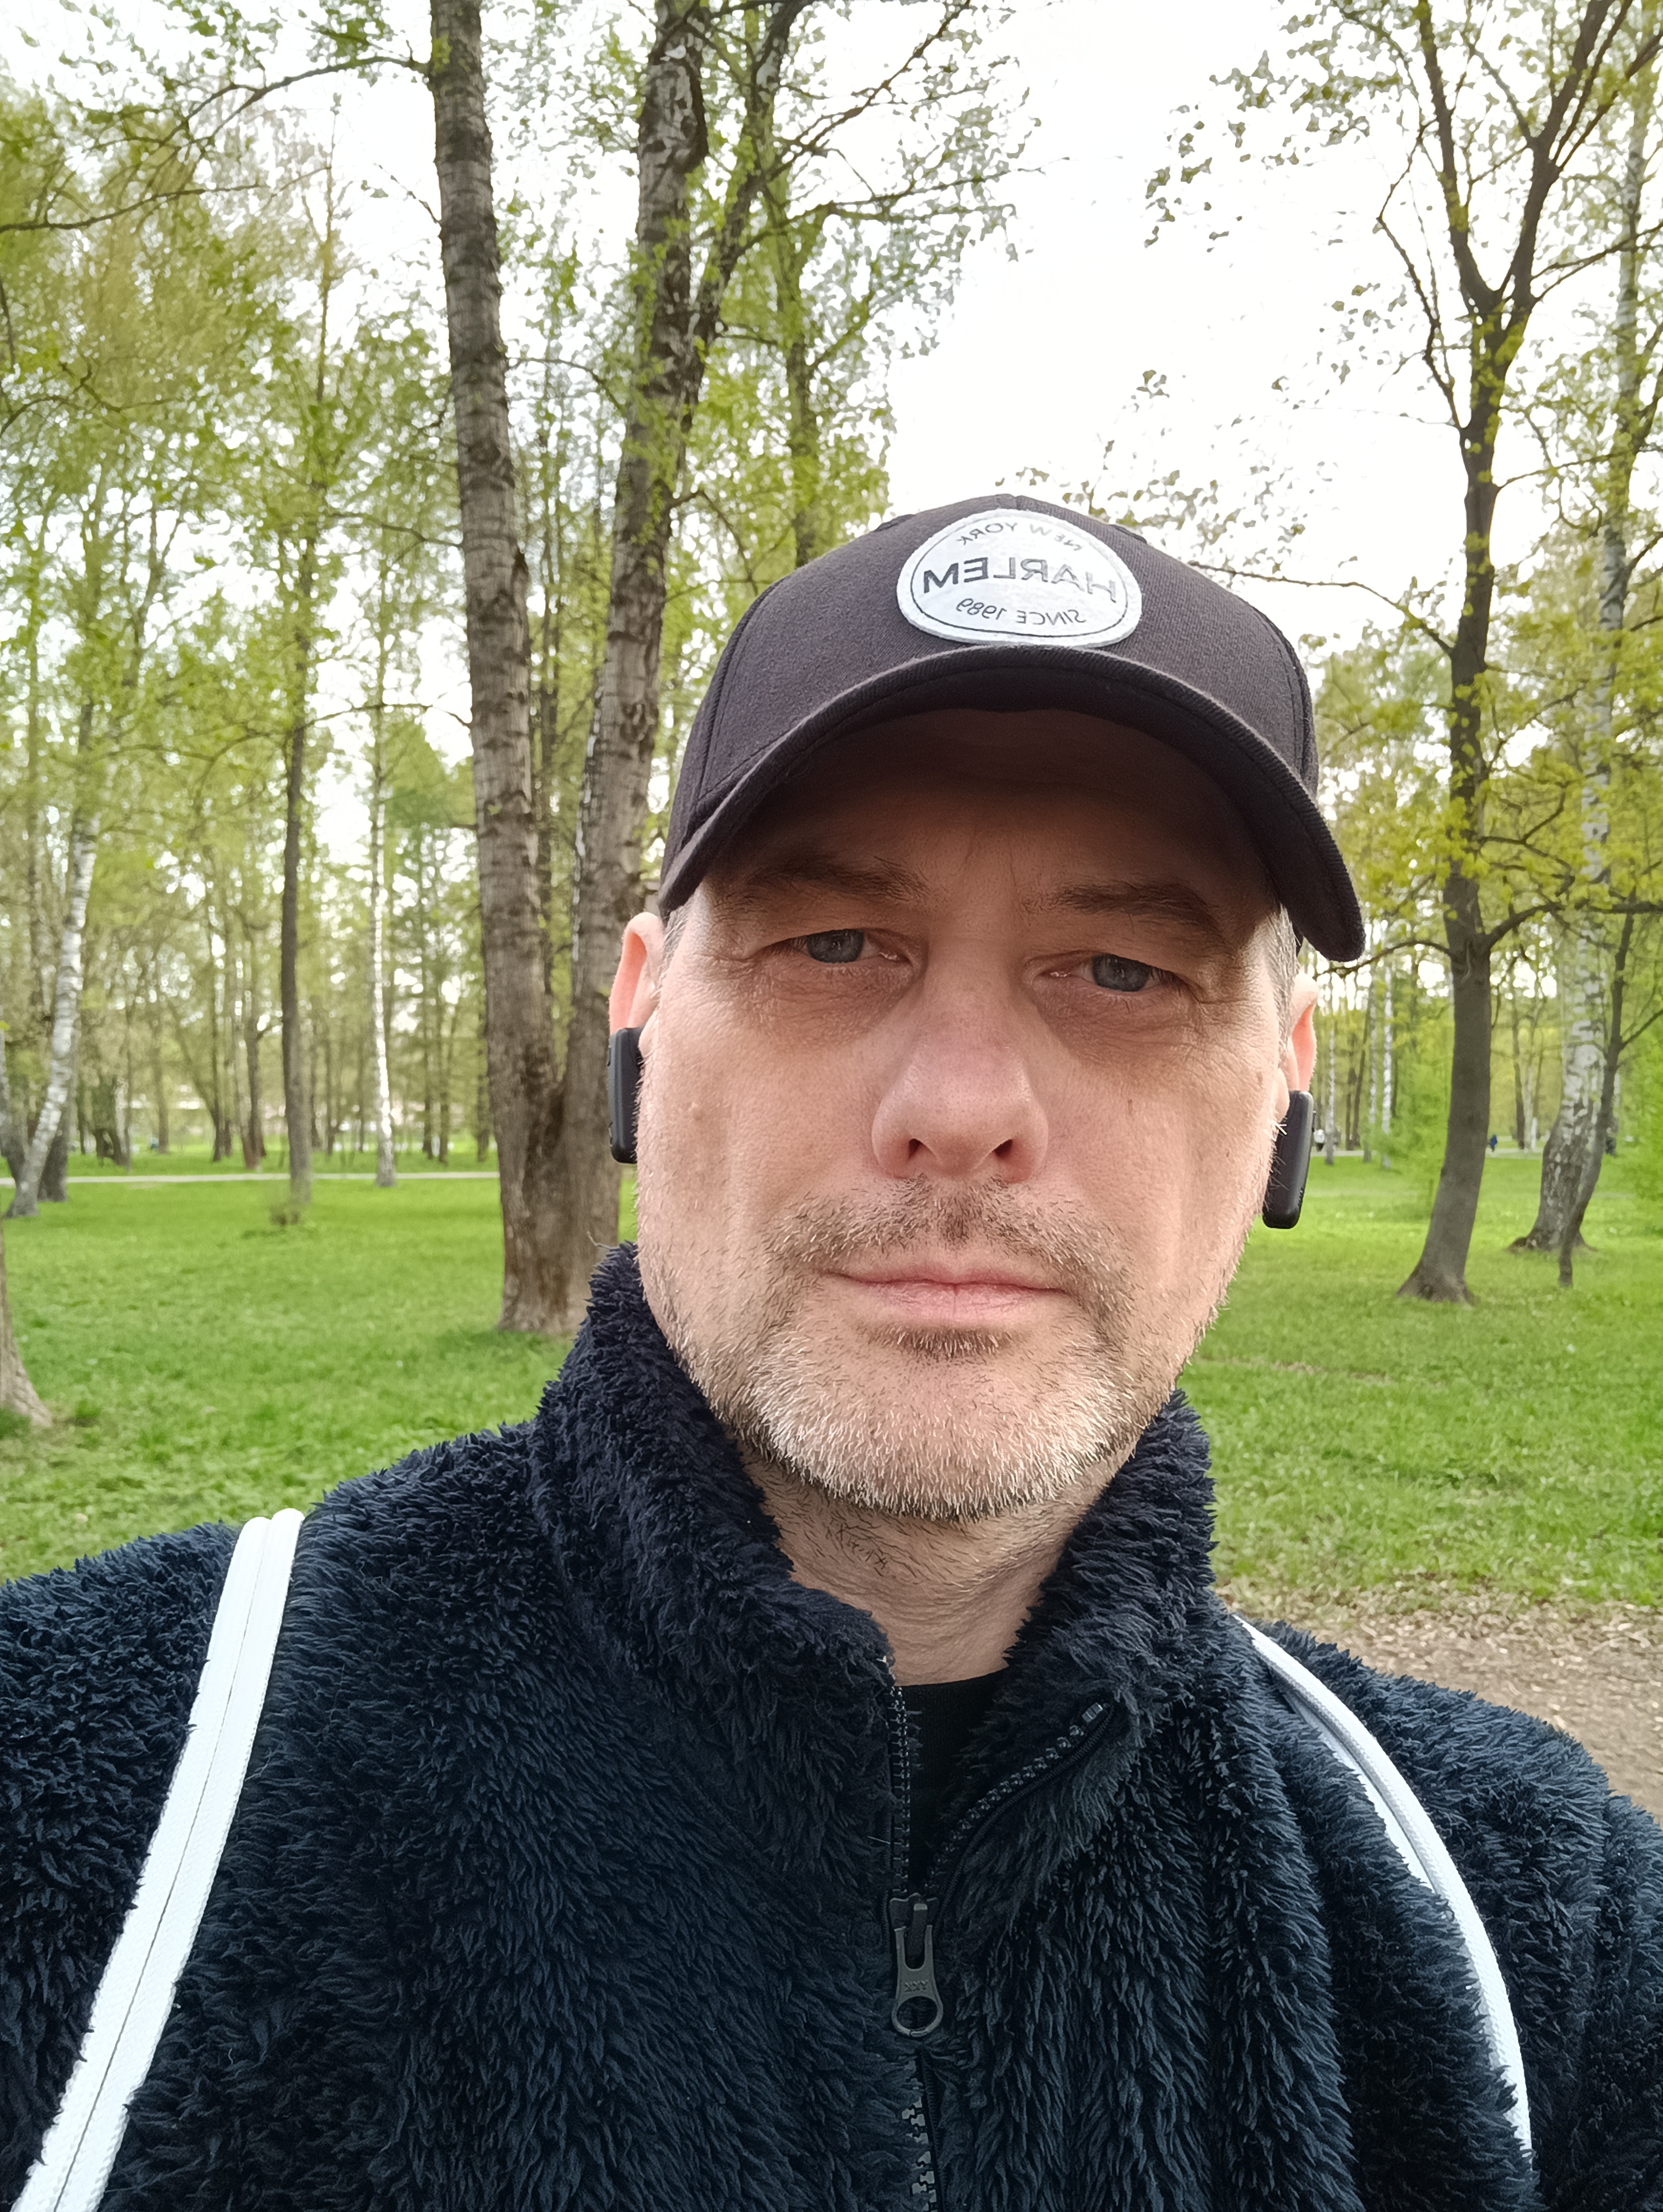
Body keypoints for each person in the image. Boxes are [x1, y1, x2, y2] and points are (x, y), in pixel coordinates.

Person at [3, 495, 1660, 2212]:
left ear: (1286, 1091)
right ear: (645, 1015)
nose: (963, 1107)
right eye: (836, 946)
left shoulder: (1533, 1932)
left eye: (1121, 970)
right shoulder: (102, 1797)